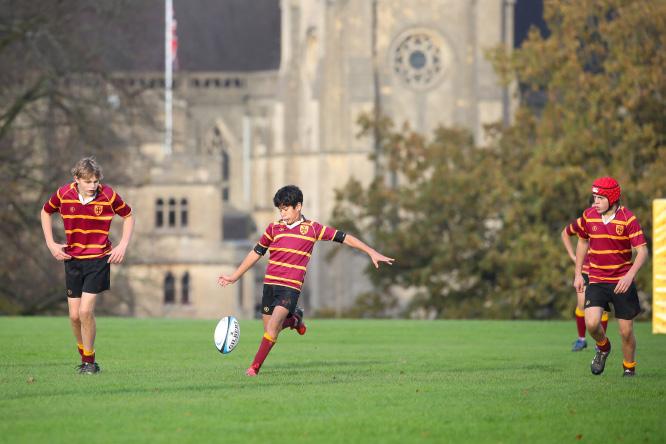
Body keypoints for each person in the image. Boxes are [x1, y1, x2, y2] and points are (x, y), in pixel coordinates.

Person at [217, 185, 394, 377]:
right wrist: (235, 276)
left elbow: (345, 238)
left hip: (290, 288)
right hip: (270, 286)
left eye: (286, 209)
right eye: (280, 210)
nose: (282, 214)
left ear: (298, 206)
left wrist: (371, 252)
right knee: (270, 329)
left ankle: (254, 368)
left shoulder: (312, 229)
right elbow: (256, 252)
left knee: (273, 328)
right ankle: (295, 319)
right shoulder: (273, 228)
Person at [40, 157, 134, 374]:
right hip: (73, 260)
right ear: (77, 179)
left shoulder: (108, 195)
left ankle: (90, 363)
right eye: (88, 181)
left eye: (96, 181)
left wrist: (123, 245)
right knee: (74, 316)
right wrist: (51, 243)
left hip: (98, 259)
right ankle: (84, 355)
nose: (93, 186)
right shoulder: (63, 194)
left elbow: (128, 216)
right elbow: (45, 211)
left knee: (85, 311)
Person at [573, 177, 648, 377]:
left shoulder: (628, 218)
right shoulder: (588, 216)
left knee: (626, 331)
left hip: (622, 281)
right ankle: (603, 347)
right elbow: (582, 242)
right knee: (591, 323)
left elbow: (642, 251)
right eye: (594, 197)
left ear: (612, 198)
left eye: (600, 198)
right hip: (597, 279)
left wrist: (629, 276)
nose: (595, 202)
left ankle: (629, 368)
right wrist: (578, 274)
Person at [561, 218, 608, 351]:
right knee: (582, 304)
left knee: (603, 308)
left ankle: (600, 344)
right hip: (585, 270)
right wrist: (572, 256)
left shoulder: (610, 221)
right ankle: (581, 339)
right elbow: (565, 233)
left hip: (603, 271)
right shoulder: (584, 221)